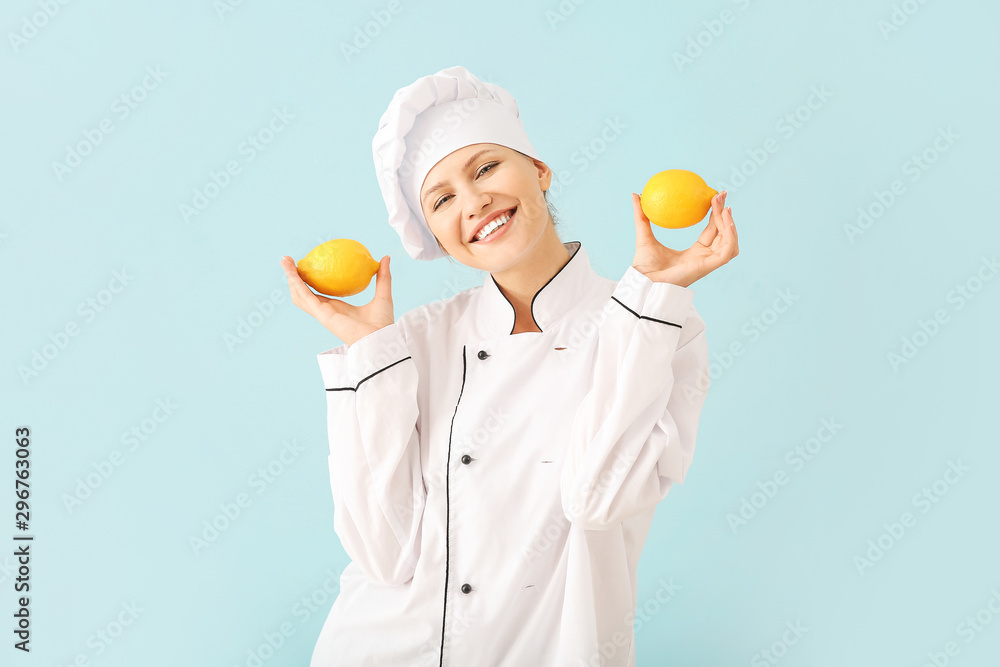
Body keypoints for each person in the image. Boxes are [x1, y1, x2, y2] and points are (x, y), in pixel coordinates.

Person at [279, 66, 737, 667]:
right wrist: (372, 362)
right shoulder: (411, 340)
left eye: (486, 167)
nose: (474, 203)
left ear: (540, 170)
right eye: (441, 199)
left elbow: (597, 498)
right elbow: (382, 552)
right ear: (438, 238)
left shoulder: (655, 323)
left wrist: (649, 298)